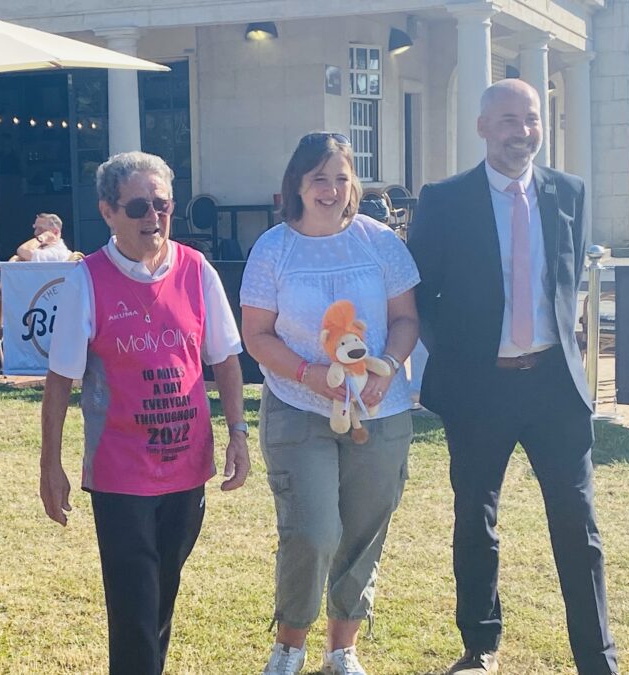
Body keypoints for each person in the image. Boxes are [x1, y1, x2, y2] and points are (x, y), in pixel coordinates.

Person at [407, 79, 618, 675]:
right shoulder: (445, 200)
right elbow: (420, 294)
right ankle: (480, 644)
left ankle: (597, 658)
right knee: (476, 515)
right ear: (481, 127)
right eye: (507, 119)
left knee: (578, 527)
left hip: (554, 386)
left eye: (530, 119)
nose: (521, 131)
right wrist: (459, 354)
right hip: (480, 387)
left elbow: (567, 280)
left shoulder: (568, 192)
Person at [39, 151, 250, 675]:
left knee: (161, 592)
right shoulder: (85, 280)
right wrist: (51, 464)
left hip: (186, 466)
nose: (152, 218)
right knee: (134, 600)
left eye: (161, 205)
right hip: (120, 473)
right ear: (108, 211)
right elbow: (60, 379)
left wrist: (238, 434)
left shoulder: (197, 270)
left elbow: (224, 358)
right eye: (137, 207)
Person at [240, 132, 420, 675]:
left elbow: (407, 320)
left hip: (379, 412)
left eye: (341, 177)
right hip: (299, 407)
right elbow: (257, 335)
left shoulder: (381, 241)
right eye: (319, 177)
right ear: (297, 183)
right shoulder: (274, 247)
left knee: (364, 529)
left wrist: (386, 367)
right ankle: (289, 647)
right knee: (312, 531)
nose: (331, 189)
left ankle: (342, 650)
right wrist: (309, 374)